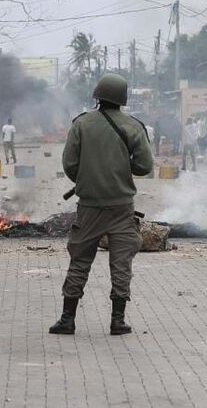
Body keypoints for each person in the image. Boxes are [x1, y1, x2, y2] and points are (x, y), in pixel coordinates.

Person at [49, 73, 154, 336]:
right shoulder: (133, 126)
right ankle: (118, 321)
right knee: (121, 265)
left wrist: (88, 177)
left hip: (90, 207)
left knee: (80, 260)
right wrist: (121, 166)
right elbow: (144, 166)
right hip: (122, 208)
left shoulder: (81, 124)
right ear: (123, 99)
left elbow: (70, 164)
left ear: (97, 96)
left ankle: (67, 319)